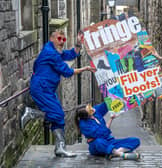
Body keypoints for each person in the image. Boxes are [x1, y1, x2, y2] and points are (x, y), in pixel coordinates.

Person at [21, 29, 96, 157]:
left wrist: (78, 43)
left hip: (47, 89)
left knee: (58, 118)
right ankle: (31, 113)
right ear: (52, 39)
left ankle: (60, 148)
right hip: (41, 88)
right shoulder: (51, 53)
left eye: (63, 39)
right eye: (59, 39)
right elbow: (66, 71)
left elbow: (71, 54)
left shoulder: (55, 51)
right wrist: (86, 68)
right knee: (58, 114)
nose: (62, 42)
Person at [75, 102, 141, 160]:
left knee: (135, 141)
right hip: (98, 145)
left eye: (90, 106)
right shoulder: (84, 125)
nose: (92, 108)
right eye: (90, 110)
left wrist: (111, 94)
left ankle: (115, 152)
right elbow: (103, 133)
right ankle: (121, 155)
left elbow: (106, 104)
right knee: (98, 142)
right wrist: (111, 119)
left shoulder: (96, 112)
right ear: (87, 115)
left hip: (110, 141)